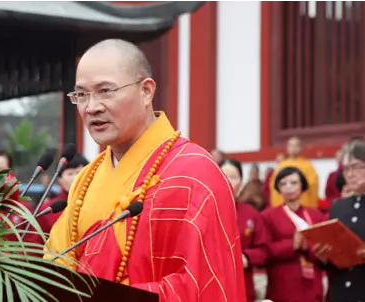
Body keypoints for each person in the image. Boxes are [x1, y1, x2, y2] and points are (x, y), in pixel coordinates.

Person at [44, 39, 246, 302]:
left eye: (105, 90)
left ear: (146, 91)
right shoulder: (86, 179)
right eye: (81, 95)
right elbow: (57, 265)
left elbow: (204, 282)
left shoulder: (196, 174)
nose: (91, 106)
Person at [313, 141, 365, 302]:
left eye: (357, 167)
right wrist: (323, 256)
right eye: (346, 169)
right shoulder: (338, 206)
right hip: (341, 294)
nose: (350, 174)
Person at [262, 167, 326, 302]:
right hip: (283, 284)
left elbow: (323, 249)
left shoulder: (316, 215)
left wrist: (306, 248)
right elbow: (266, 249)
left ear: (302, 185)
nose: (288, 187)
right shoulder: (268, 216)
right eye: (283, 184)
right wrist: (292, 245)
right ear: (278, 189)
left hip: (312, 284)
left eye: (293, 182)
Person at [220, 159, 268, 302]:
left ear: (241, 181)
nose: (228, 180)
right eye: (223, 175)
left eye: (233, 177)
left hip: (242, 284)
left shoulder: (251, 214)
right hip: (211, 284)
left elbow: (264, 249)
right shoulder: (203, 212)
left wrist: (247, 257)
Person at [23, 154, 90, 247]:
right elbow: (34, 247)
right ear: (60, 180)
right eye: (70, 173)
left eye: (80, 172)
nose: (76, 177)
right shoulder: (47, 210)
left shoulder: (96, 205)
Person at [269, 136, 319, 208]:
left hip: (302, 203)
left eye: (296, 146)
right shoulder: (282, 165)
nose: (293, 148)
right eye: (291, 145)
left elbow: (312, 184)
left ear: (301, 148)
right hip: (284, 203)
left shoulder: (308, 166)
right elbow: (274, 185)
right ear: (287, 148)